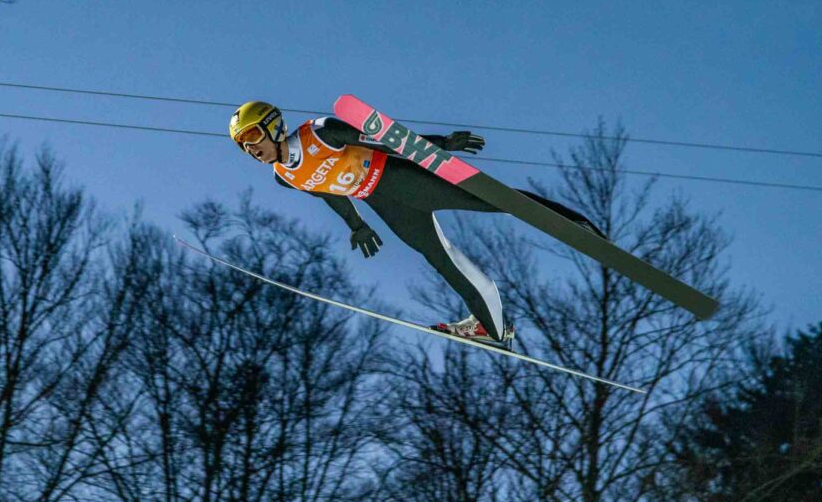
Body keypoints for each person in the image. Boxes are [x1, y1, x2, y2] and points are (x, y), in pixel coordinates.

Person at [228, 101, 604, 349]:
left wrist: (440, 143)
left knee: (492, 200)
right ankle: (492, 326)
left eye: (252, 136)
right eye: (242, 145)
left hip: (401, 178)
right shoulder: (285, 176)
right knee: (441, 258)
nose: (250, 148)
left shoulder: (321, 132)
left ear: (273, 126)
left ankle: (575, 222)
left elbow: (385, 142)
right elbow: (327, 192)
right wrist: (356, 225)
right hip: (384, 204)